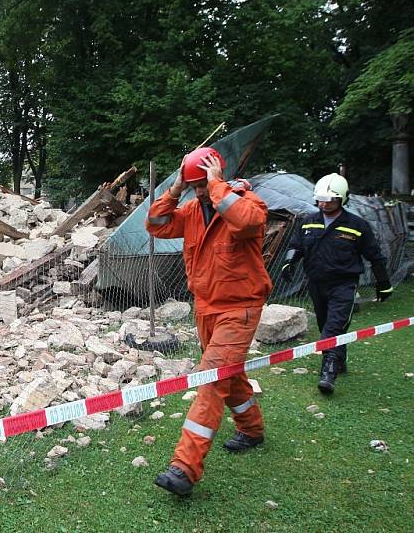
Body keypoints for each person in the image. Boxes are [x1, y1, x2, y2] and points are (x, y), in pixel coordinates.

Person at [146, 147, 272, 497]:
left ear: (216, 174)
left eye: (202, 183)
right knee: (229, 373)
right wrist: (173, 191)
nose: (199, 190)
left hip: (239, 307)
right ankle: (251, 429)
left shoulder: (247, 202)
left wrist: (217, 186)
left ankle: (184, 468)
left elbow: (246, 223)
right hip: (206, 307)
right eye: (194, 184)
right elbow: (155, 225)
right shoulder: (188, 211)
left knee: (212, 378)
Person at [281, 173, 392, 394]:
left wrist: (383, 283)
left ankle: (328, 372)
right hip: (316, 284)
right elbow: (297, 245)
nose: (324, 204)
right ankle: (339, 360)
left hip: (344, 285)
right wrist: (289, 262)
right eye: (321, 199)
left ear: (342, 199)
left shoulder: (357, 225)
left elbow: (375, 256)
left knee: (334, 327)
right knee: (325, 325)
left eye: (330, 200)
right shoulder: (308, 222)